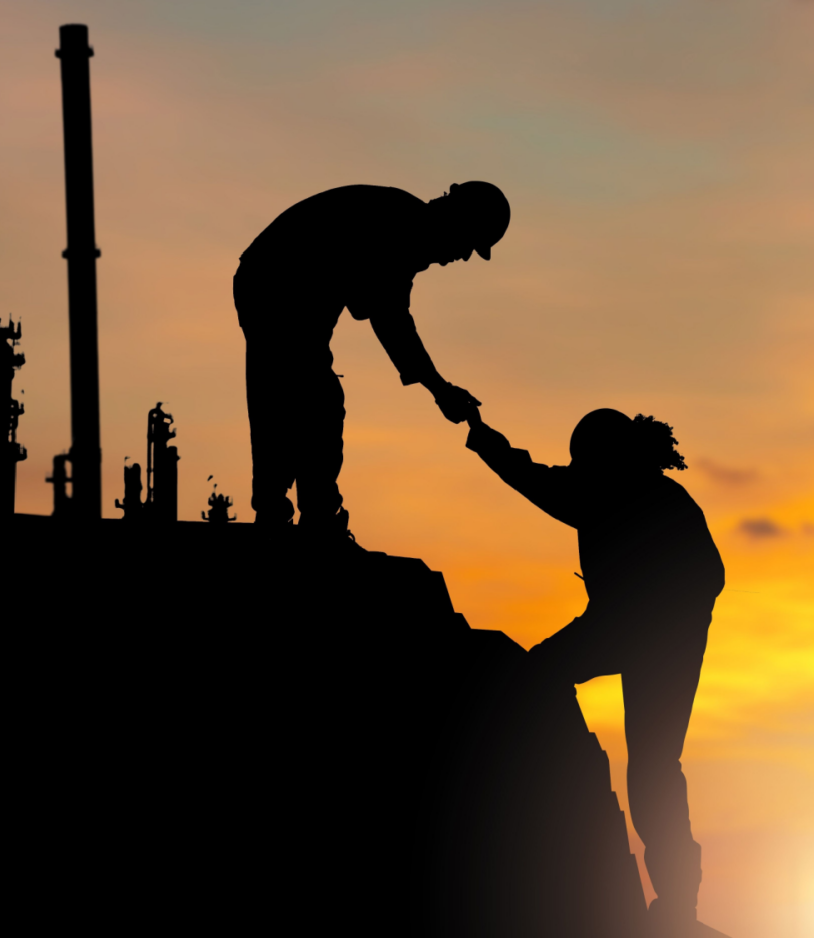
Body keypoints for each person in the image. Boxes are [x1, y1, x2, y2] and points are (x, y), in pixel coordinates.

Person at [463, 405, 724, 934]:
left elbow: (708, 577)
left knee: (650, 766)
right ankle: (675, 903)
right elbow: (539, 479)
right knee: (650, 765)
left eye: (582, 462)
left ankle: (677, 906)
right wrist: (482, 435)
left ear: (604, 459)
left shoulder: (617, 493)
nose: (576, 471)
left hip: (655, 637)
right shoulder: (632, 489)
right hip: (640, 630)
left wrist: (481, 436)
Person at [234, 181, 511, 536]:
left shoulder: (406, 224)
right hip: (273, 282)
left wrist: (438, 388)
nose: (464, 255)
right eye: (469, 242)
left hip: (278, 282)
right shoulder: (402, 228)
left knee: (295, 395)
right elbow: (389, 319)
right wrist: (439, 389)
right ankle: (305, 516)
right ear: (457, 219)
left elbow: (376, 307)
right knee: (309, 398)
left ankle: (292, 511)